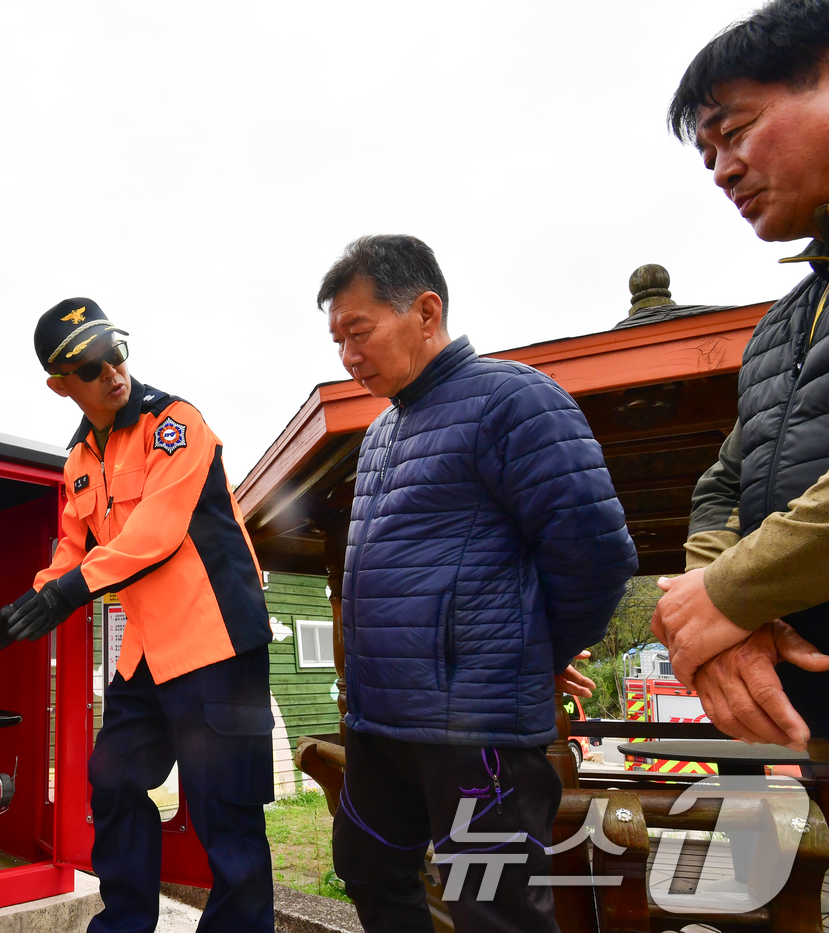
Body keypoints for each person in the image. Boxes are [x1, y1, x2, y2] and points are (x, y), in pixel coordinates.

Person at [322, 235, 637, 933]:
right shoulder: (379, 434)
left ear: (425, 311)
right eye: (337, 339)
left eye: (359, 331)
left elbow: (595, 551)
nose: (347, 356)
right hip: (381, 722)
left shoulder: (514, 400)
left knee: (492, 909)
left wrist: (543, 647)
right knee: (370, 872)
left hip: (477, 727)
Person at [0, 299, 275, 933]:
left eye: (115, 351)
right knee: (112, 781)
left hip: (218, 642)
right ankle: (124, 925)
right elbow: (73, 547)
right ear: (61, 386)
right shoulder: (79, 459)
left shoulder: (176, 422)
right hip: (145, 651)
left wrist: (65, 596)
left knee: (227, 813)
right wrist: (36, 598)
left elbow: (155, 534)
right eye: (90, 367)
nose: (112, 371)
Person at [653, 0, 829, 751]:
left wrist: (726, 595)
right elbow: (723, 483)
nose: (723, 169)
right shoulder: (779, 328)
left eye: (737, 130)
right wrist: (717, 620)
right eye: (708, 154)